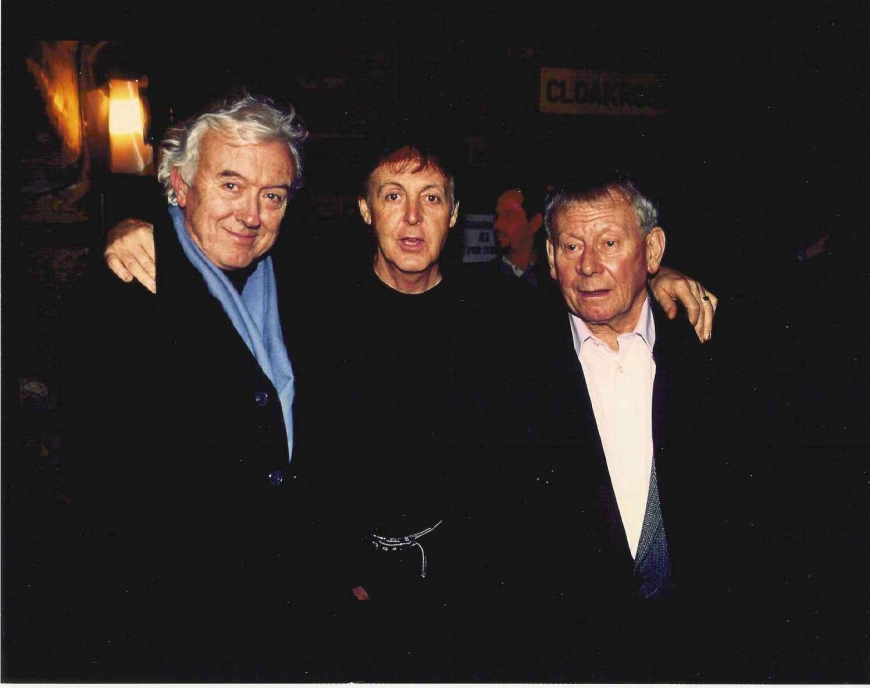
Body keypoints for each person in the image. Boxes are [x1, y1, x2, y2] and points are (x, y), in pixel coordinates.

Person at [98, 139, 721, 681]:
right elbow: (227, 249)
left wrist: (661, 280)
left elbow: (595, 295)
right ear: (366, 211)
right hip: (341, 595)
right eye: (393, 196)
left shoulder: (501, 311)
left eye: (430, 198)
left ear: (453, 214)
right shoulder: (312, 297)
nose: (413, 218)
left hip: (474, 598)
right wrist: (135, 225)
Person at [55, 93, 341, 681]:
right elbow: (102, 488)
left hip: (292, 616)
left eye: (273, 195)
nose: (251, 214)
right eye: (230, 185)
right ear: (179, 186)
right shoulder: (125, 291)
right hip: (173, 627)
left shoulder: (305, 283)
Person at [481, 173, 749, 682]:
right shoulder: (507, 364)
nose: (587, 266)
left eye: (609, 243)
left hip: (705, 651)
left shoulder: (712, 347)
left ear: (652, 250)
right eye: (571, 245)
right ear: (550, 254)